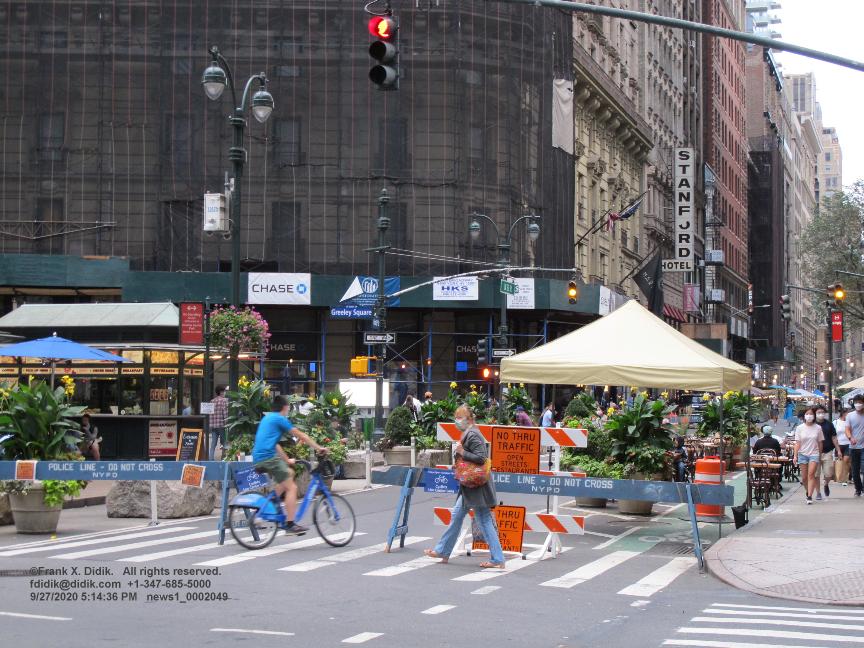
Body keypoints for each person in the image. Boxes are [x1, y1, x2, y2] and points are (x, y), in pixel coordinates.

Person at [424, 405, 505, 569]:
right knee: (459, 516)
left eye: (460, 417)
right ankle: (443, 551)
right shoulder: (470, 433)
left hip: (477, 487)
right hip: (471, 487)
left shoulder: (473, 434)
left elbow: (481, 458)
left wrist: (462, 452)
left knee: (483, 519)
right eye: (456, 417)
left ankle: (497, 558)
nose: (457, 420)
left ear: (469, 419)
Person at [252, 395, 329, 535]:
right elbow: (301, 435)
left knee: (290, 473)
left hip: (260, 457)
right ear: (285, 407)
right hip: (268, 458)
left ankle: (271, 500)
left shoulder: (268, 418)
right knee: (292, 487)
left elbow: (275, 444)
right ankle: (290, 524)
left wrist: (287, 460)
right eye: (288, 408)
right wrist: (319, 448)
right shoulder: (279, 419)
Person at [794, 407, 824, 504]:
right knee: (804, 477)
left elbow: (820, 442)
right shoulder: (799, 428)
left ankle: (810, 496)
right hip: (802, 454)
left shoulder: (818, 428)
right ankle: (808, 491)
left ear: (814, 416)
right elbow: (797, 443)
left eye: (811, 414)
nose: (809, 416)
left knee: (811, 475)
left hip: (814, 454)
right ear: (804, 416)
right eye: (807, 414)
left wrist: (819, 455)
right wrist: (795, 456)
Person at [814, 404, 843, 500]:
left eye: (822, 412)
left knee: (829, 473)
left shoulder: (829, 424)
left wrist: (838, 450)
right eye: (819, 412)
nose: (821, 414)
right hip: (815, 453)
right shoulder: (812, 424)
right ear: (815, 413)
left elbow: (834, 437)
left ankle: (826, 484)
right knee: (816, 474)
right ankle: (818, 492)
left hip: (828, 451)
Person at [845, 395, 864, 496]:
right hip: (853, 447)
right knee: (855, 471)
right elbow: (847, 429)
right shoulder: (850, 415)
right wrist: (850, 438)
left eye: (860, 402)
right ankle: (858, 489)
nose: (858, 404)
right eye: (856, 402)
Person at [209, 386, 228, 461]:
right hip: (221, 425)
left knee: (213, 444)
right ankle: (223, 458)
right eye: (224, 391)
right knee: (224, 443)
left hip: (213, 425)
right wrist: (227, 424)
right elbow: (225, 413)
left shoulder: (212, 401)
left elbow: (210, 414)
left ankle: (211, 459)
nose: (225, 392)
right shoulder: (224, 401)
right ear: (221, 392)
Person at [834, 407, 851, 485]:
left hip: (848, 444)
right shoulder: (836, 422)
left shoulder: (849, 422)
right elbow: (833, 435)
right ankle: (841, 478)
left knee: (846, 460)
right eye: (848, 413)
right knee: (840, 461)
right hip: (839, 444)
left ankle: (846, 478)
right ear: (843, 413)